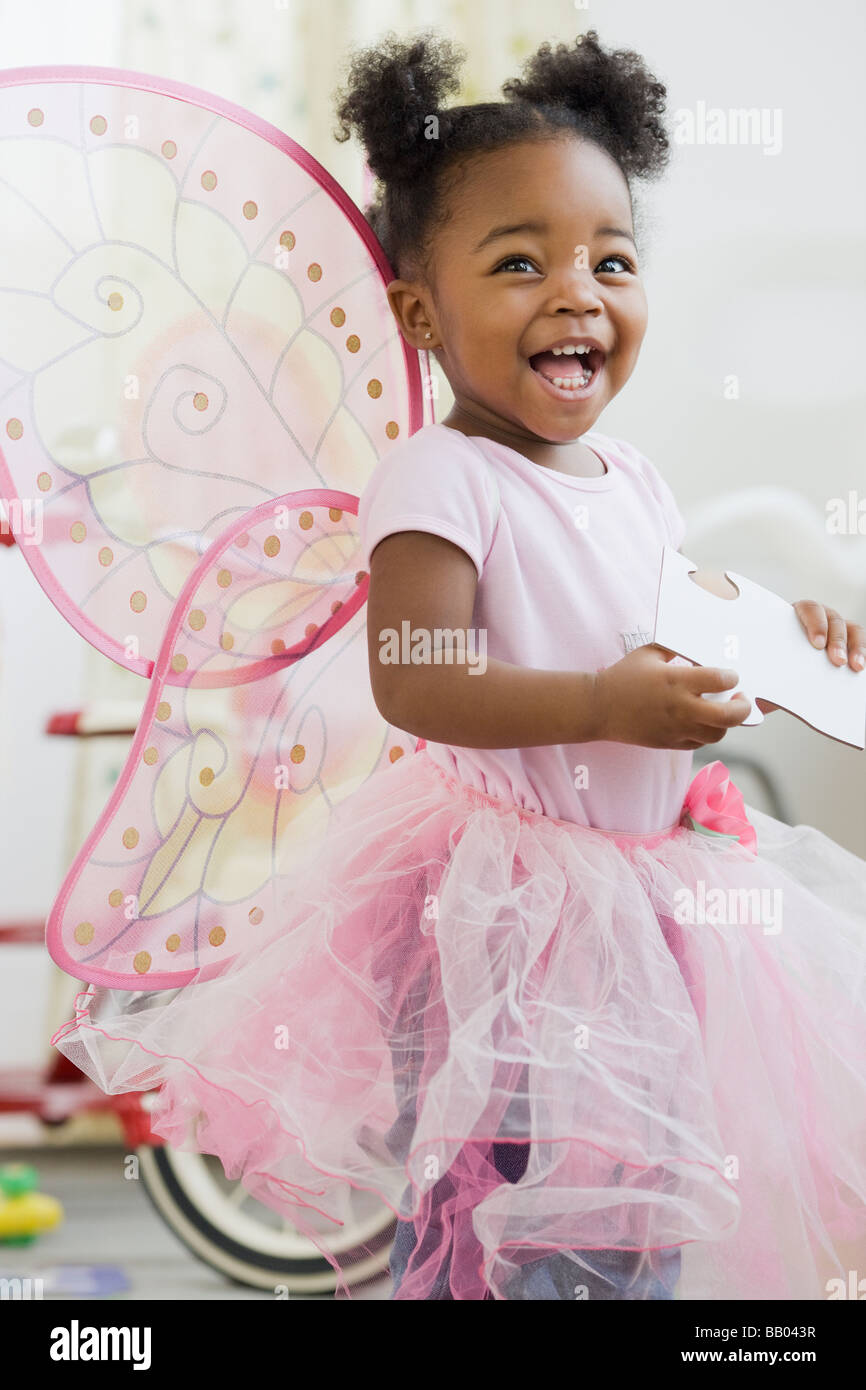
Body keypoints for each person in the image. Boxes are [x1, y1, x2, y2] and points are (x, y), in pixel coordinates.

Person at [52, 28, 866, 1301]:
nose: (577, 291)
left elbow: (656, 634)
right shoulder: (439, 477)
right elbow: (418, 676)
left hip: (642, 903)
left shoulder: (633, 478)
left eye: (610, 259)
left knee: (635, 1193)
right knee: (515, 1193)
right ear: (420, 310)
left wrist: (777, 647)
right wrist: (603, 702)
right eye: (519, 263)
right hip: (508, 912)